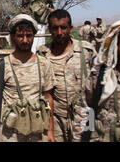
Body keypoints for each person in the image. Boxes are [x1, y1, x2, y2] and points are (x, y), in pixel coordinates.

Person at [0, 14, 56, 142]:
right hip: (10, 134)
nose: (25, 40)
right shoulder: (2, 65)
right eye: (20, 36)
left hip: (37, 132)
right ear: (13, 37)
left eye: (29, 36)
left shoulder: (44, 64)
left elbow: (48, 98)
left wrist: (50, 131)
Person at [37, 10, 96, 142]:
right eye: (55, 28)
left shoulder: (86, 51)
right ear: (49, 29)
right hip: (56, 117)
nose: (59, 33)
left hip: (85, 116)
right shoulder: (42, 53)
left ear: (70, 28)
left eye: (63, 27)